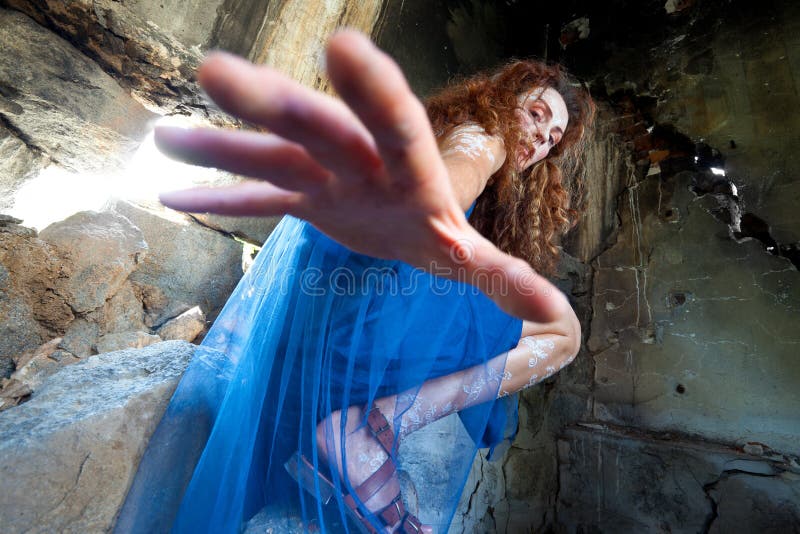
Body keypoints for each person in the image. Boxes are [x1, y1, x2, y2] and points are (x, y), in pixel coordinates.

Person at [115, 30, 593, 534]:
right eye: (537, 114)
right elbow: (453, 180)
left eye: (553, 137)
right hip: (362, 325)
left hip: (324, 337)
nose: (541, 137)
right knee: (562, 331)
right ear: (500, 100)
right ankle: (372, 428)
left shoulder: (440, 140)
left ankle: (363, 430)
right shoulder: (484, 137)